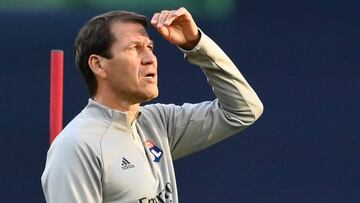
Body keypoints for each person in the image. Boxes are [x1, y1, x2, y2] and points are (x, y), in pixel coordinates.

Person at [41, 7, 263, 203]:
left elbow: (243, 110)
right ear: (98, 64)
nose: (150, 58)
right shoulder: (76, 146)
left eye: (150, 47)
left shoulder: (158, 123)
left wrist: (196, 44)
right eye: (135, 48)